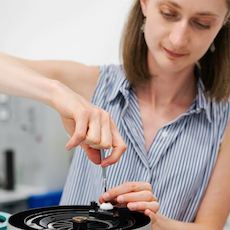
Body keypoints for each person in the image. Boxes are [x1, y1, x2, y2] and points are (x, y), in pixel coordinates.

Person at [1, 0, 230, 228]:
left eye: (202, 23)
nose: (178, 39)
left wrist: (151, 222)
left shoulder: (224, 118)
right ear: (145, 4)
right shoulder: (93, 84)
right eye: (168, 13)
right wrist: (56, 92)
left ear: (224, 22)